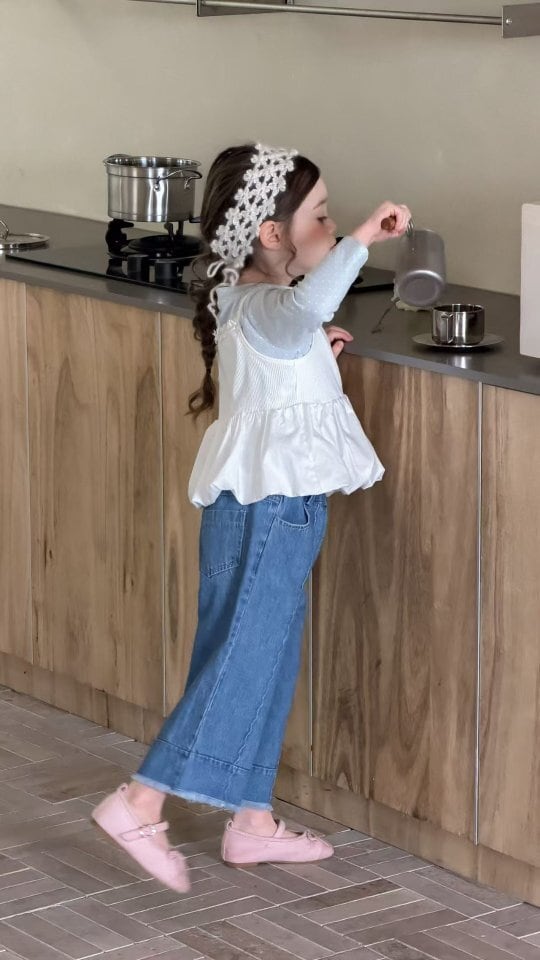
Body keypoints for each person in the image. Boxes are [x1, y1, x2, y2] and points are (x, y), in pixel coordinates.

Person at [92, 142, 411, 893]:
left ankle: (252, 819)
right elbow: (304, 308)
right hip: (274, 510)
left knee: (260, 655)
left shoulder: (251, 304)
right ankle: (141, 800)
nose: (333, 226)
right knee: (246, 657)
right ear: (272, 234)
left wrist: (315, 360)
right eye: (322, 217)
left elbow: (287, 346)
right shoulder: (272, 304)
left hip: (255, 509)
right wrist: (365, 239)